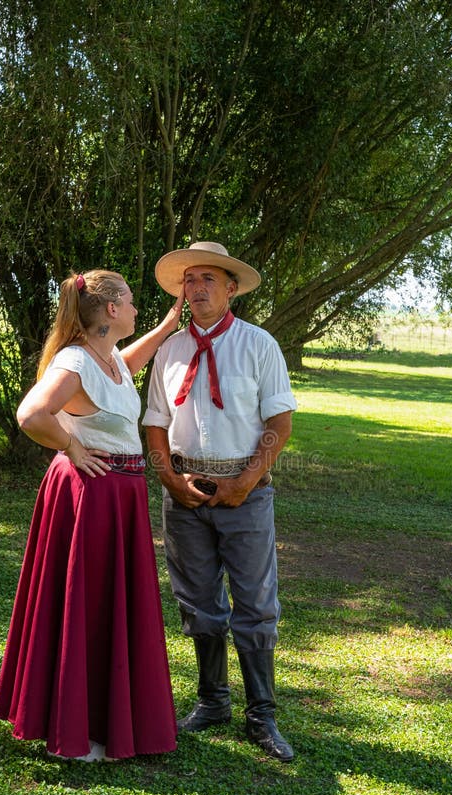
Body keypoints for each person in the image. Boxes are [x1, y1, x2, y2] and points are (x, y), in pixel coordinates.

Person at [0, 269, 182, 761]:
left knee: (106, 605)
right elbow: (32, 414)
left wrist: (164, 328)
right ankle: (77, 731)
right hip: (91, 495)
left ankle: (103, 722)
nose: (137, 310)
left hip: (118, 497)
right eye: (134, 304)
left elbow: (122, 373)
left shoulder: (106, 357)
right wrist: (72, 447)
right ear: (113, 310)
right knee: (89, 606)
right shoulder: (76, 359)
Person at [143, 241, 297, 762]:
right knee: (198, 601)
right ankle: (212, 701)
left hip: (244, 492)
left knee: (255, 603)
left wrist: (245, 482)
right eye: (190, 280)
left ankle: (262, 715)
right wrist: (169, 481)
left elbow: (279, 423)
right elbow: (157, 424)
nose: (198, 288)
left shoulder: (259, 345)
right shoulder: (168, 351)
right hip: (184, 492)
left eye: (209, 278)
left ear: (231, 288)